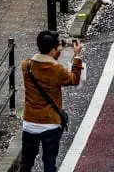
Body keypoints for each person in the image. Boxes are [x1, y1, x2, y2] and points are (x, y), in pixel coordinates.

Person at [20, 30, 83, 172]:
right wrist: (77, 56)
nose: (60, 49)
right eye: (58, 47)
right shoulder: (57, 70)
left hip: (30, 122)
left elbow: (41, 64)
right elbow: (74, 79)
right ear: (53, 50)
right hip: (50, 124)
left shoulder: (26, 66)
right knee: (49, 164)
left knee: (26, 164)